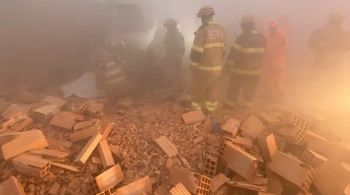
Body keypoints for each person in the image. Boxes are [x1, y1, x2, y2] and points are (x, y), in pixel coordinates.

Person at [190, 5, 226, 112]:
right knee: (213, 87)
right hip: (217, 67)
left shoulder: (202, 31)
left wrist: (193, 66)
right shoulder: (221, 29)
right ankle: (211, 109)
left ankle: (196, 108)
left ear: (204, 17)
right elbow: (224, 50)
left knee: (198, 87)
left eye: (201, 18)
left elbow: (197, 51)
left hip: (204, 67)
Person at [225, 16, 267, 109]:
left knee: (234, 87)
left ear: (244, 26)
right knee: (250, 89)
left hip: (240, 70)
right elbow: (264, 53)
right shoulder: (262, 37)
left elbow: (234, 54)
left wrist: (228, 66)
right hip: (255, 70)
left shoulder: (242, 37)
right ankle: (248, 107)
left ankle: (229, 106)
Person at [308, 13, 350, 92]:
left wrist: (316, 50)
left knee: (314, 79)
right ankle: (330, 95)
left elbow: (311, 42)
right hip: (335, 61)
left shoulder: (319, 31)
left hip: (322, 59)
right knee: (336, 81)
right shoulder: (344, 34)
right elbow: (348, 46)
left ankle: (311, 93)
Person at [262, 21, 288, 102]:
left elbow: (284, 47)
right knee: (268, 79)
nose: (272, 29)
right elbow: (264, 47)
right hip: (269, 62)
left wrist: (274, 54)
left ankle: (280, 96)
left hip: (278, 62)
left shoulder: (282, 36)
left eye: (273, 28)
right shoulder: (267, 36)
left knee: (279, 80)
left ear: (276, 27)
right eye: (271, 28)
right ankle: (269, 95)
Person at [163, 18, 185, 99]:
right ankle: (171, 90)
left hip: (175, 58)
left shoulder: (177, 35)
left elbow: (181, 48)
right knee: (169, 74)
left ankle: (177, 91)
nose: (167, 29)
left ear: (172, 26)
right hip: (170, 57)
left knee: (176, 74)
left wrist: (177, 57)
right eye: (167, 27)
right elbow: (166, 46)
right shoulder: (169, 35)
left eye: (168, 27)